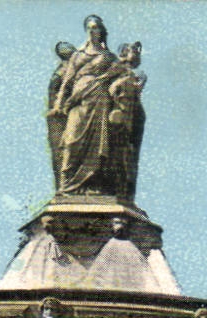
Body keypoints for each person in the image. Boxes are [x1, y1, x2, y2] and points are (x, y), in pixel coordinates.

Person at [47, 16, 142, 197]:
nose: (93, 31)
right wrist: (59, 104)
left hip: (100, 102)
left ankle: (93, 186)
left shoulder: (109, 57)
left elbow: (124, 77)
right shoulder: (78, 56)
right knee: (71, 141)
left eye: (96, 28)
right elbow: (67, 82)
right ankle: (67, 186)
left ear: (101, 31)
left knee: (99, 146)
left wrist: (134, 87)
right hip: (79, 101)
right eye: (89, 28)